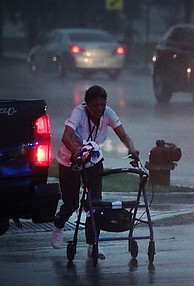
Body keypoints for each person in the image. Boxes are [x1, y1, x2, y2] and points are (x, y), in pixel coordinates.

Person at [51, 85, 140, 259]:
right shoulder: (79, 113)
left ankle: (93, 246)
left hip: (92, 159)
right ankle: (58, 226)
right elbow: (66, 136)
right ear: (87, 104)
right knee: (71, 203)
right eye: (95, 105)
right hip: (71, 160)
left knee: (95, 204)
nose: (99, 109)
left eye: (102, 105)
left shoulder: (108, 113)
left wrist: (132, 149)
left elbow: (122, 133)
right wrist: (76, 151)